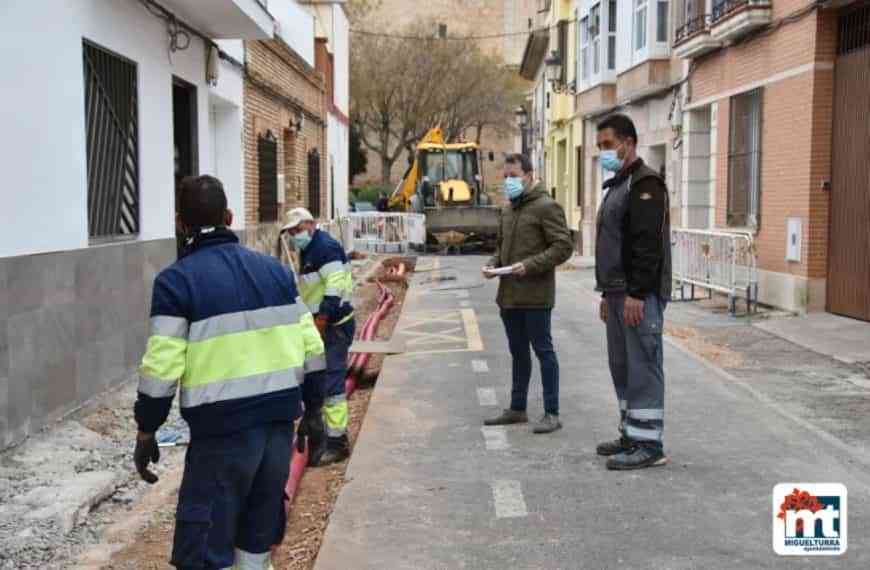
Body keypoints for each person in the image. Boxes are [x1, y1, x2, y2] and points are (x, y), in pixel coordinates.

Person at [133, 176, 326, 569]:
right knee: (255, 548)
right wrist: (315, 410)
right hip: (276, 434)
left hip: (220, 441)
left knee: (205, 553)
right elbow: (313, 348)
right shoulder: (275, 272)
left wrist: (147, 428)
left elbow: (161, 370)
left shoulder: (176, 282)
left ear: (179, 223)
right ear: (229, 217)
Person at [594, 113, 672, 470]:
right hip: (616, 294)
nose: (604, 153)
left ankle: (649, 444)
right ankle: (630, 432)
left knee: (643, 366)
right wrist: (606, 294)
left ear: (629, 142)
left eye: (608, 145)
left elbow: (646, 246)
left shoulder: (646, 184)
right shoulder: (618, 184)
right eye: (600, 147)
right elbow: (611, 243)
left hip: (636, 296)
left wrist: (637, 294)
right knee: (622, 367)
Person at [482, 154, 574, 434]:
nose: (509, 181)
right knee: (518, 352)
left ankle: (552, 412)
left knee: (544, 352)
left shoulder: (547, 207)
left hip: (535, 296)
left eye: (514, 175)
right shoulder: (508, 211)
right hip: (508, 296)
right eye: (506, 176)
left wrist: (530, 266)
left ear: (530, 175)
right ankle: (517, 408)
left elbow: (563, 246)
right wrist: (493, 264)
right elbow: (502, 247)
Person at [282, 207, 356, 466]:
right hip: (321, 325)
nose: (294, 236)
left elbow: (335, 284)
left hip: (334, 325)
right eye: (291, 232)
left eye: (297, 230)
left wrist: (323, 318)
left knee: (333, 384)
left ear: (311, 225)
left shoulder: (325, 248)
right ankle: (323, 433)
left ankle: (338, 442)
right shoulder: (309, 249)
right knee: (320, 379)